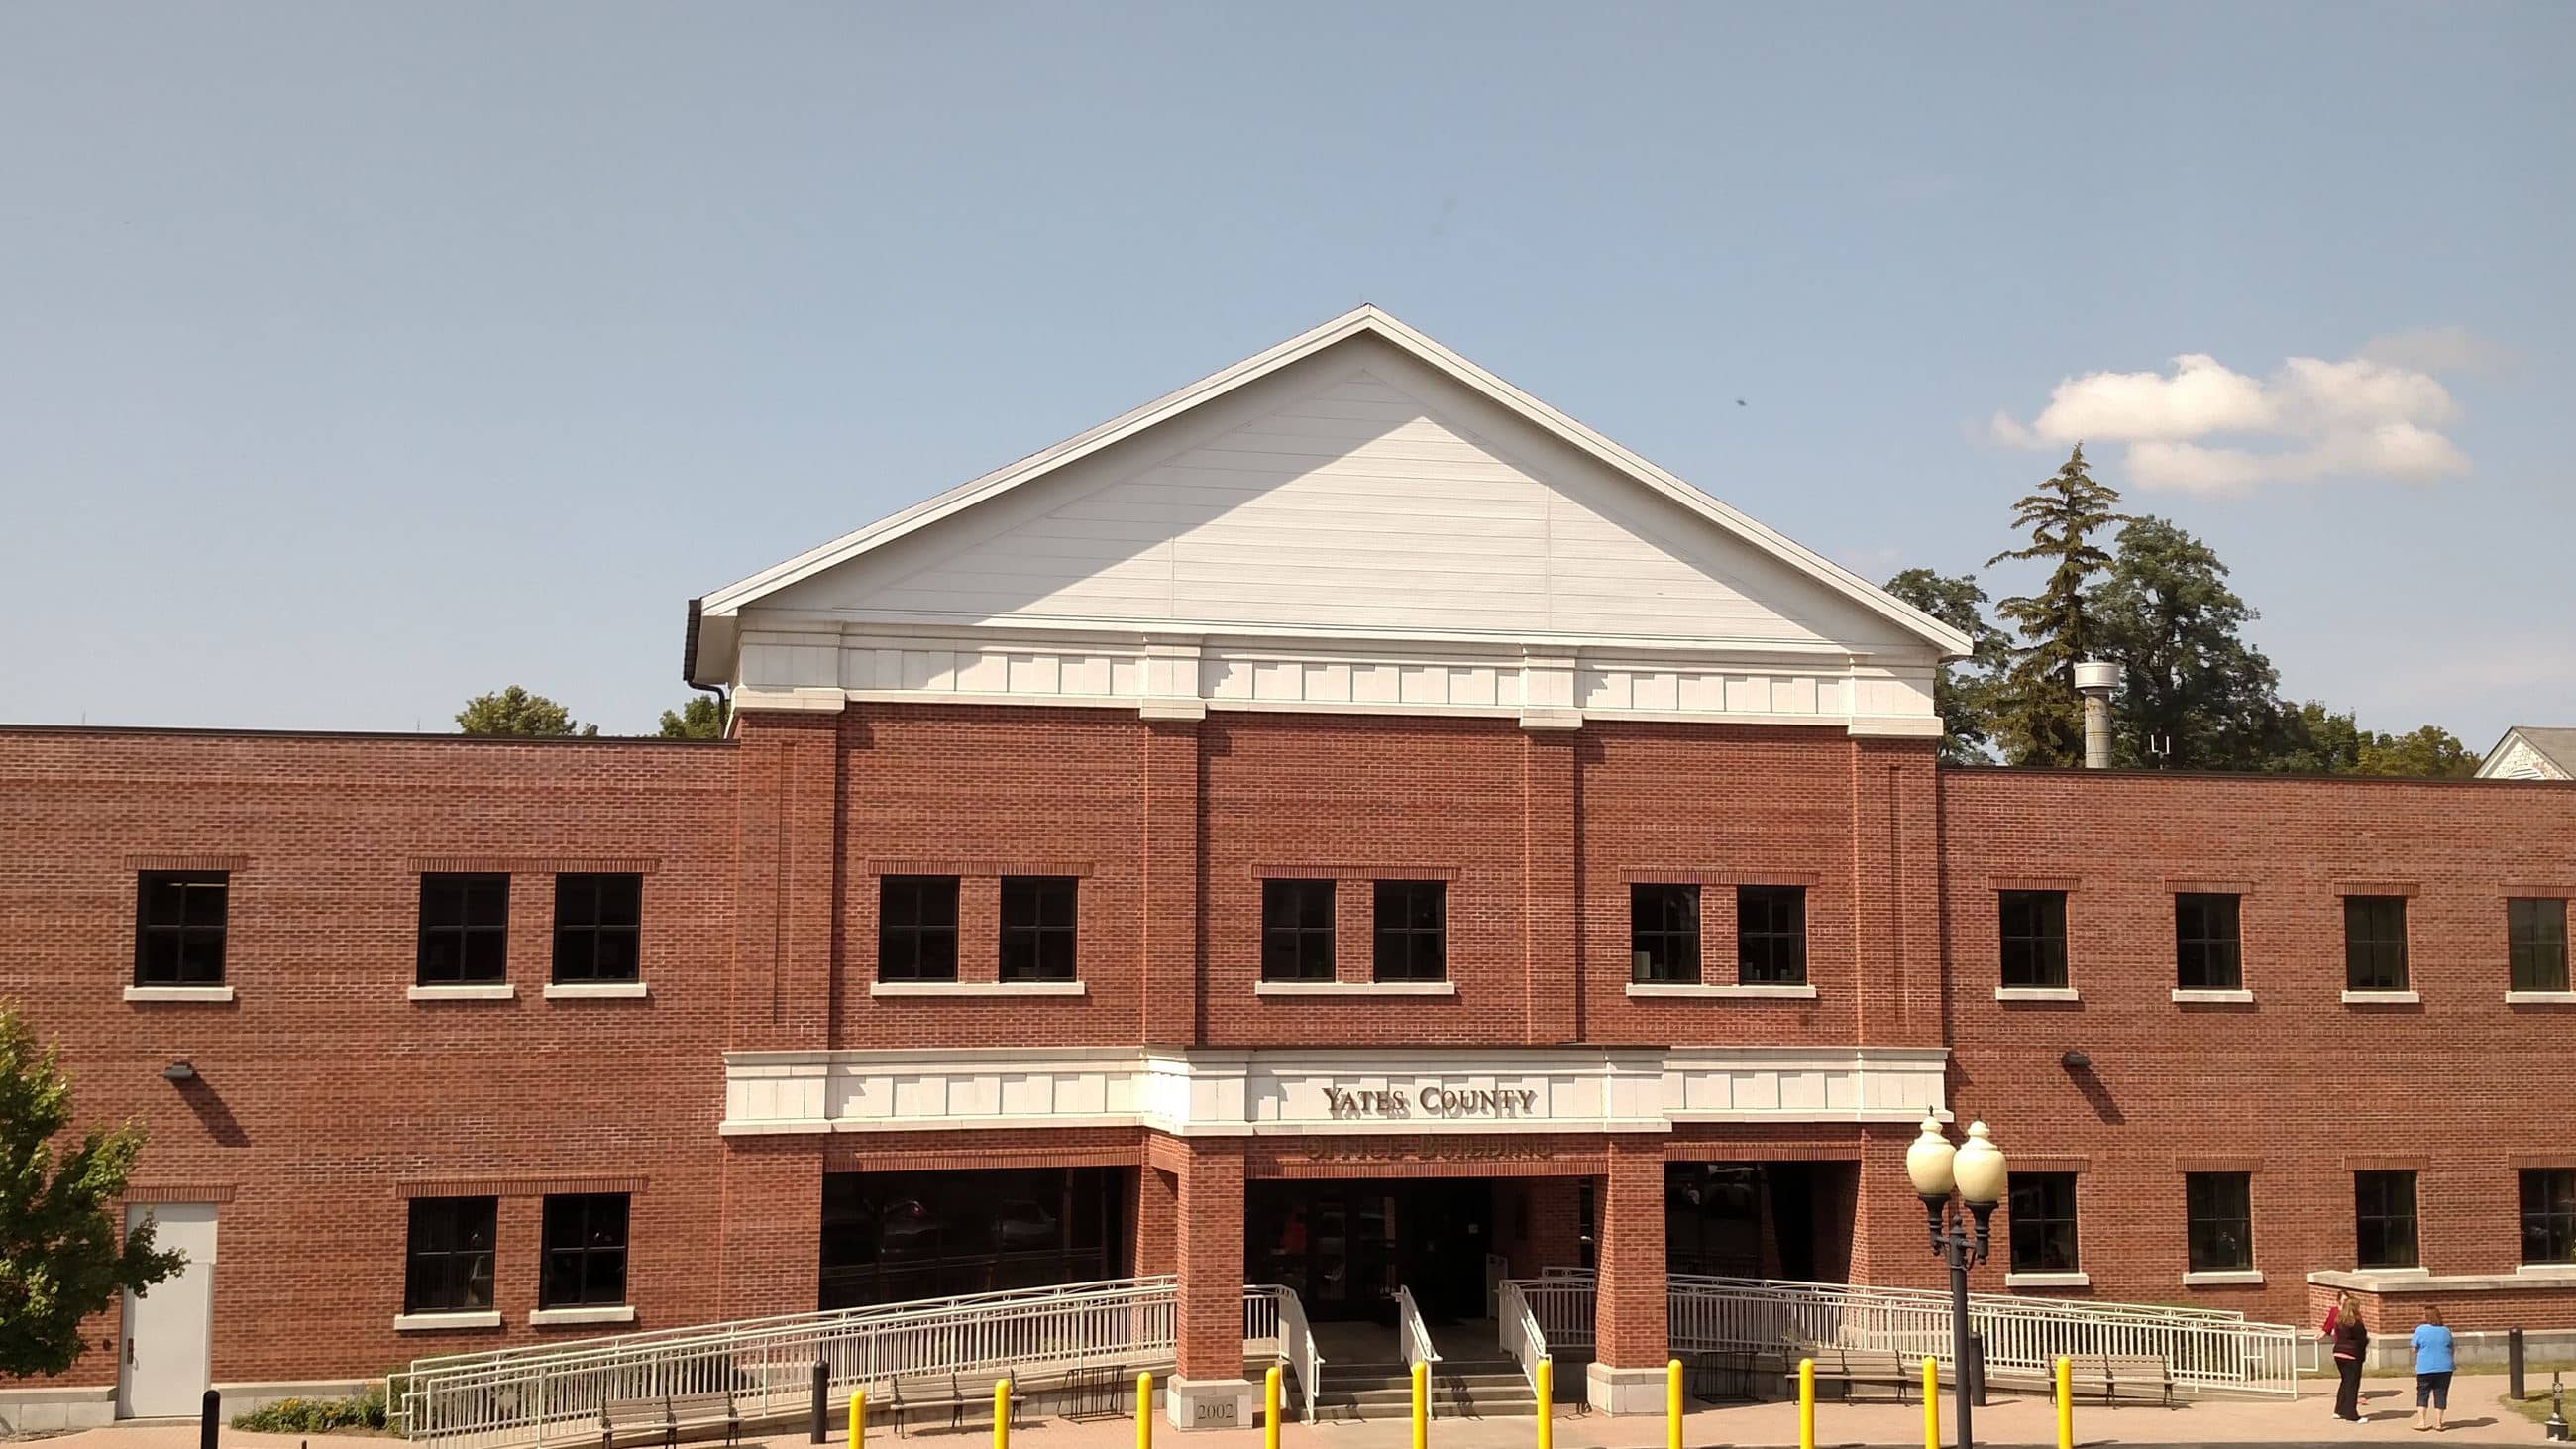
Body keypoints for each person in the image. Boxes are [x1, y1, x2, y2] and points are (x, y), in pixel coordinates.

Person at [2324, 1290, 2369, 1421]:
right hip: (2352, 1355)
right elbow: (2362, 1340)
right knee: (2352, 1384)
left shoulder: (2339, 1321)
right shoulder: (2355, 1323)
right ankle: (2351, 1414)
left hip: (2338, 1353)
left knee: (2345, 1382)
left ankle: (2339, 1410)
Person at [2412, 1305, 2456, 1432]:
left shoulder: (2420, 1330)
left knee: (2423, 1393)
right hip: (2445, 1367)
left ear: (2426, 1317)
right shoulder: (2446, 1330)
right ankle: (2439, 1423)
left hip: (2425, 1367)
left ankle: (2422, 1422)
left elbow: (2414, 1348)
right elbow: (2452, 1348)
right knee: (2441, 1393)